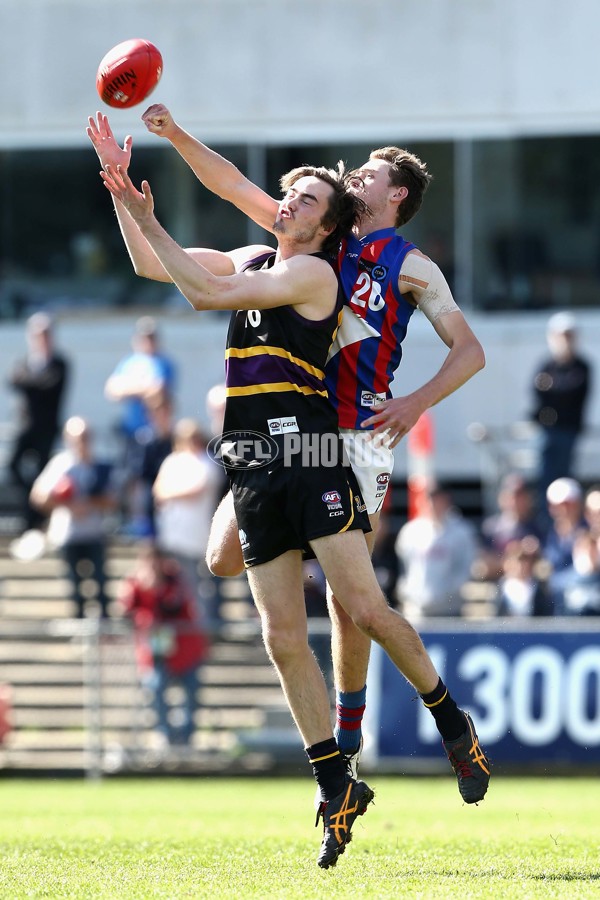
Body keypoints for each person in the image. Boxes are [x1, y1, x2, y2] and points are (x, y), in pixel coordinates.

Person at [95, 149, 489, 868]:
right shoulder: (264, 252)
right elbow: (164, 262)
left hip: (324, 448)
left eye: (309, 198)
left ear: (375, 202)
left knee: (356, 608)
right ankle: (339, 773)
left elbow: (201, 292)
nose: (287, 202)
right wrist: (129, 195)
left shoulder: (337, 268)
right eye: (292, 194)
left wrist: (414, 402)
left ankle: (440, 724)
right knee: (269, 618)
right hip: (253, 457)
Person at [118, 543, 209, 748]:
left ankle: (186, 739)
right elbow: (125, 611)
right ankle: (164, 736)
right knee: (155, 689)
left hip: (185, 651)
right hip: (155, 654)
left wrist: (157, 589)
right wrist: (145, 588)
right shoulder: (134, 583)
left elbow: (176, 606)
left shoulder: (175, 579)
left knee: (191, 695)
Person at [29, 416, 118, 619]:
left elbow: (113, 500)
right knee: (75, 585)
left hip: (94, 533)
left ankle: (104, 627)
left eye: (86, 436)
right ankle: (79, 624)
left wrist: (89, 504)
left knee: (101, 582)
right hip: (68, 535)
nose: (82, 442)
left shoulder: (100, 465)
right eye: (78, 437)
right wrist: (68, 505)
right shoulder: (60, 465)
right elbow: (38, 496)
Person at [104, 315, 177, 534]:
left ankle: (148, 525)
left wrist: (131, 388)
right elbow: (112, 389)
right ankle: (128, 520)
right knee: (127, 476)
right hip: (130, 429)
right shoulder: (130, 361)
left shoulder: (163, 362)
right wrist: (141, 388)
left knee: (149, 480)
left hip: (154, 432)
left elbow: (158, 390)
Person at [6, 312, 70, 532]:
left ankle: (36, 520)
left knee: (43, 472)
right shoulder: (26, 361)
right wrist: (35, 383)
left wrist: (30, 384)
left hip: (46, 429)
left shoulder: (59, 362)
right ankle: (30, 508)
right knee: (13, 466)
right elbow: (14, 381)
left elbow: (50, 386)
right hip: (25, 427)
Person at [152, 417, 221, 619]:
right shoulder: (172, 460)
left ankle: (205, 625)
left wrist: (171, 493)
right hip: (173, 534)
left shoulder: (207, 462)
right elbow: (158, 488)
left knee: (202, 586)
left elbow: (196, 490)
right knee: (181, 585)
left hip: (199, 535)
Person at [530, 311, 592, 509]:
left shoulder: (582, 366)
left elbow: (570, 392)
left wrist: (553, 388)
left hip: (568, 431)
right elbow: (538, 390)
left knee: (565, 482)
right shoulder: (547, 365)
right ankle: (547, 525)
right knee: (545, 482)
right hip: (547, 432)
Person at [395, 483, 479, 619]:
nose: (435, 504)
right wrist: (410, 592)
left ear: (448, 501)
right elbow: (404, 567)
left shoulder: (462, 532)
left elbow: (466, 567)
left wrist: (449, 594)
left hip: (450, 610)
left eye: (439, 499)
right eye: (431, 499)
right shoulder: (410, 531)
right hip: (417, 610)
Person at [477, 473, 547, 581]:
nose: (514, 502)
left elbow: (544, 565)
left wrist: (533, 553)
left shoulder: (539, 528)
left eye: (520, 497)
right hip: (497, 585)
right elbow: (483, 568)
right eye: (511, 496)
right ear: (502, 498)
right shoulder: (491, 528)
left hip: (529, 587)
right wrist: (513, 560)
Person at [542, 477, 588, 614]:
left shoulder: (590, 533)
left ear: (578, 504)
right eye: (557, 504)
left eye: (568, 504)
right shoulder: (547, 534)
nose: (563, 509)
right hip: (555, 604)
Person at [494, 536, 553, 617]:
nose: (521, 567)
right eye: (518, 561)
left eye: (524, 562)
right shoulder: (502, 586)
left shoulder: (539, 586)